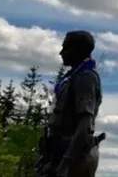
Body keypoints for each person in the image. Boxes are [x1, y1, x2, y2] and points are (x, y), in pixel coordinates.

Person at [36, 30, 103, 177]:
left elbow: (85, 122)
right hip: (57, 151)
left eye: (66, 48)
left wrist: (66, 162)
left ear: (78, 50)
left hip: (71, 155)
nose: (61, 52)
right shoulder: (73, 77)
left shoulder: (85, 78)